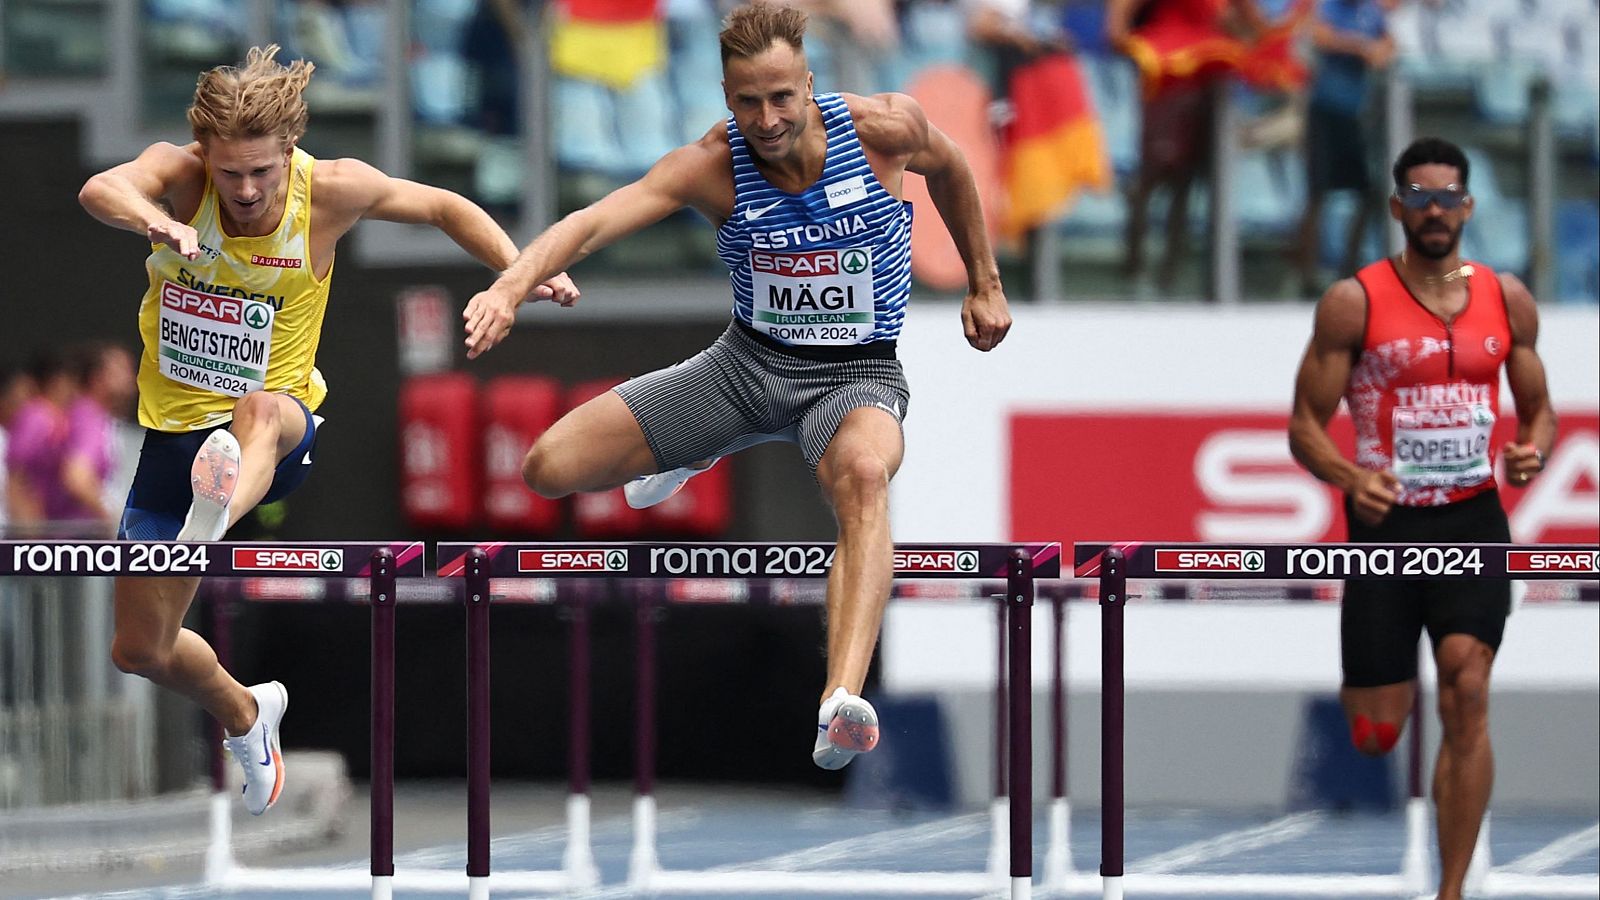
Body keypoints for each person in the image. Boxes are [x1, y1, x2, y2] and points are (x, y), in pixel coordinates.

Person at [461, 1, 1011, 770]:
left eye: (782, 96)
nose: (767, 117)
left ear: (810, 83)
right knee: (548, 466)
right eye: (748, 100)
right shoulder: (712, 164)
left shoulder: (884, 129)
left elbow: (952, 169)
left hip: (854, 376)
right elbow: (590, 223)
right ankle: (696, 445)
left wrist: (983, 283)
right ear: (725, 94)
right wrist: (510, 286)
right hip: (746, 367)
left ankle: (840, 700)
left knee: (863, 475)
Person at [77, 44, 576, 815]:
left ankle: (213, 520)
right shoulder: (181, 180)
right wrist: (157, 220)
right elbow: (99, 188)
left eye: (262, 173)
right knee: (138, 649)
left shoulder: (332, 190)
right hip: (172, 444)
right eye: (229, 173)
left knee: (260, 412)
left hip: (277, 430)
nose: (244, 192)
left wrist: (516, 273)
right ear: (205, 153)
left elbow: (445, 206)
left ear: (290, 153)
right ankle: (246, 711)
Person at [1288, 137, 1557, 900]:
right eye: (1421, 195)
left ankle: (1451, 892)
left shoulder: (1508, 300)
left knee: (1467, 687)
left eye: (1448, 196)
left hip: (1472, 517)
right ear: (1398, 206)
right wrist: (1349, 476)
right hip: (1386, 523)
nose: (1435, 210)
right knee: (1377, 734)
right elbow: (1304, 425)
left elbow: (1539, 413)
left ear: (1468, 207)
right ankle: (1381, 710)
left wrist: (1531, 450)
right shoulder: (1355, 301)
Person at [1292, 0, 1396, 296]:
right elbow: (1321, 36)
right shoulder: (1329, 7)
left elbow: (1388, 45)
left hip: (1354, 114)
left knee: (1366, 192)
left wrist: (1378, 50)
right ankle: (1307, 273)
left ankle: (1348, 268)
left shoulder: (1370, 11)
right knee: (1317, 191)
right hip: (1324, 110)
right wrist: (1361, 47)